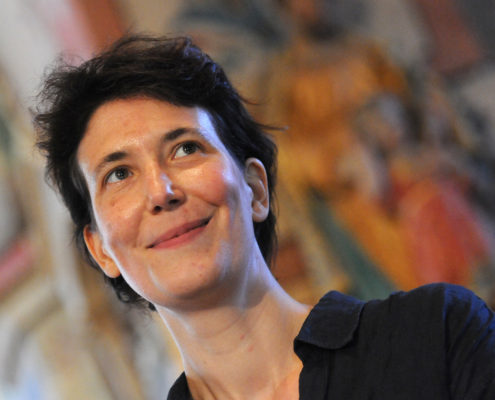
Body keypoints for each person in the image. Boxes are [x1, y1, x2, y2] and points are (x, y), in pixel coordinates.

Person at [34, 35, 495, 399]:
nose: (161, 191)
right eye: (118, 174)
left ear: (255, 189)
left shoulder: (435, 336)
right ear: (100, 249)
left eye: (186, 148)